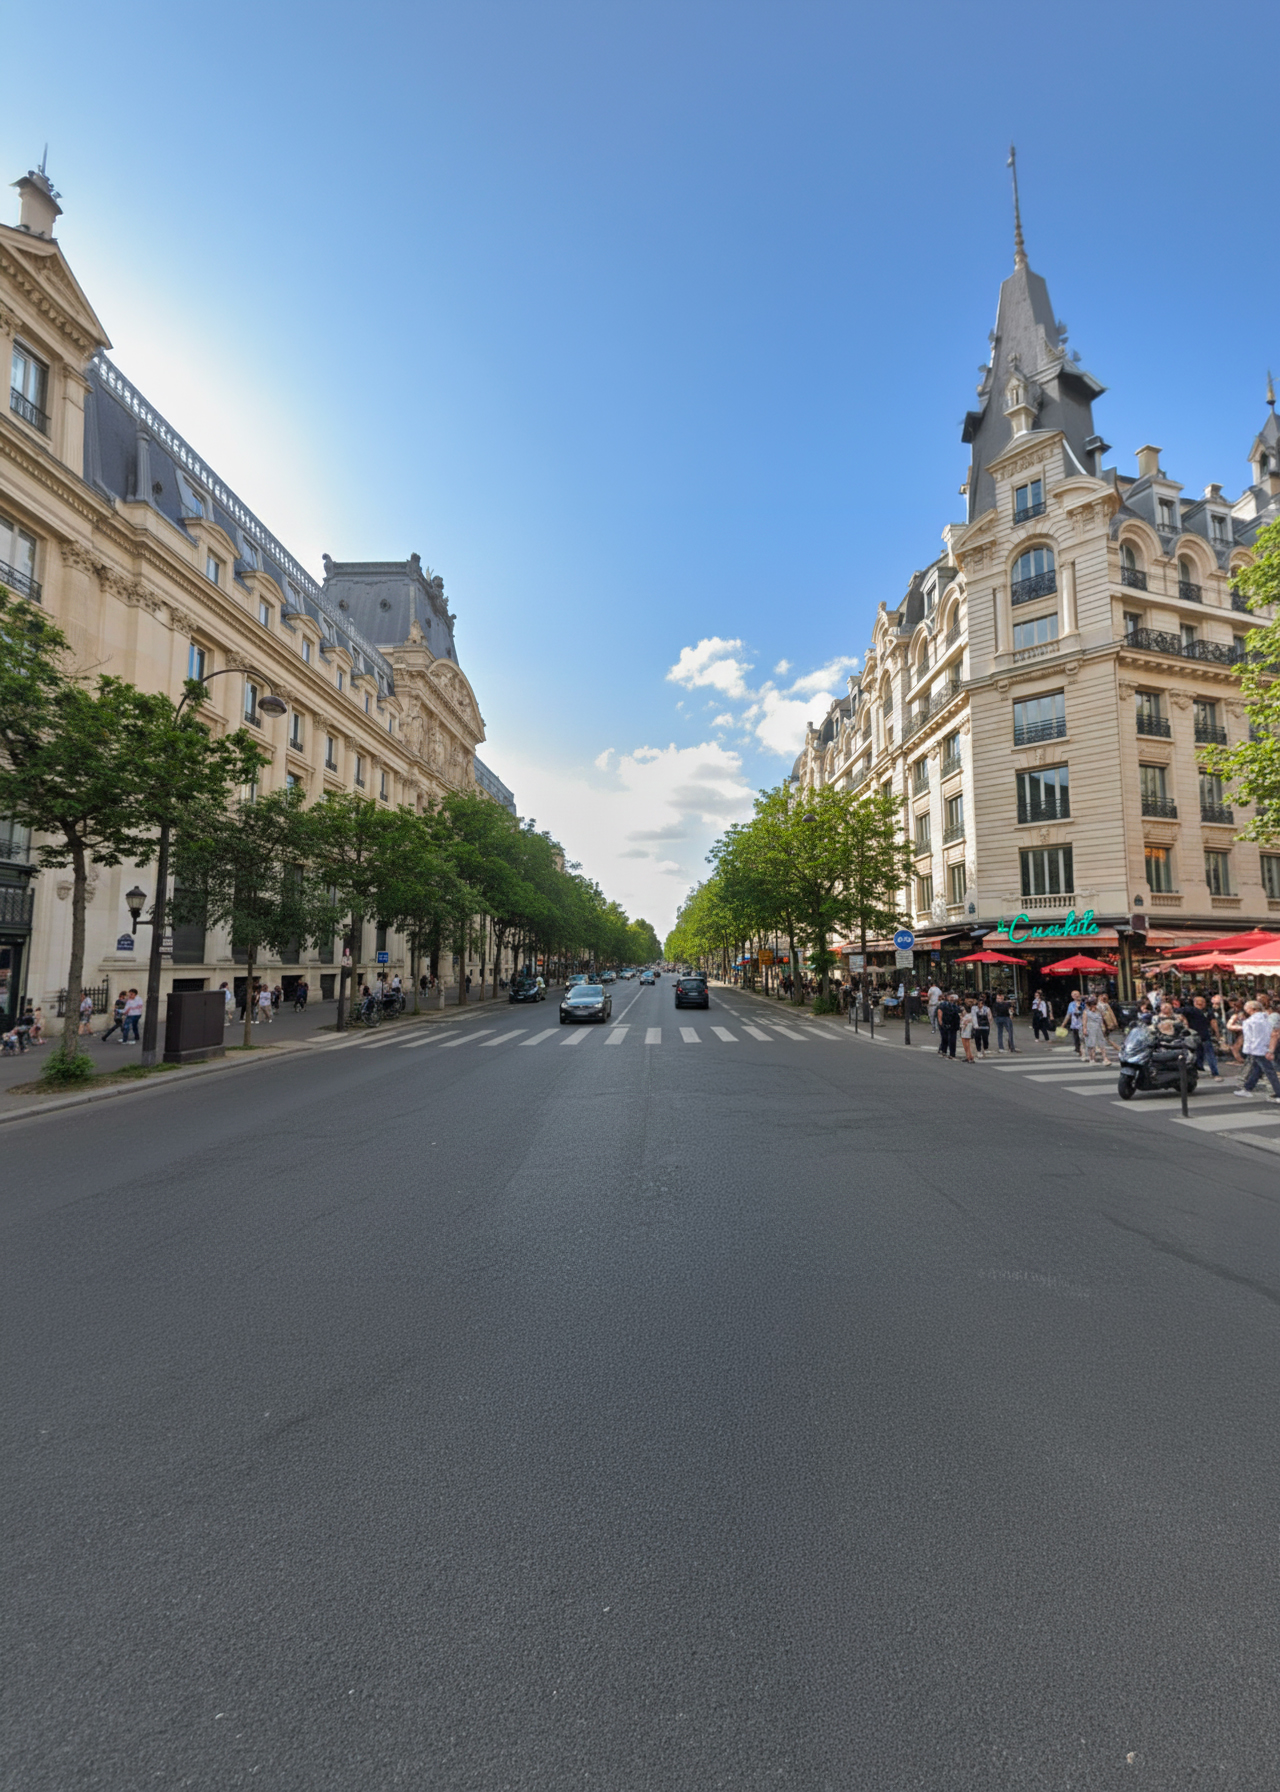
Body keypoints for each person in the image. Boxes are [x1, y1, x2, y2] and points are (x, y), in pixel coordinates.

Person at [1233, 1001, 1280, 1101]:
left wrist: (1248, 1049)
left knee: (1269, 1071)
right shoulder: (1266, 1018)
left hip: (1257, 1048)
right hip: (1262, 1047)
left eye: (1247, 1008)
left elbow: (1251, 1037)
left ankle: (1279, 1093)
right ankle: (1247, 1088)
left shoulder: (1252, 1021)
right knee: (1257, 1069)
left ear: (1252, 1009)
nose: (1245, 1009)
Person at [1181, 995, 1221, 1079]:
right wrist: (1217, 1034)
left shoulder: (1189, 1010)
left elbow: (1213, 1022)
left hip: (1196, 1035)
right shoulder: (1193, 1010)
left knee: (1200, 1053)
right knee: (1207, 1054)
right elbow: (1213, 1022)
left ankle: (1202, 1070)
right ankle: (1212, 1072)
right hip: (1201, 1035)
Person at [1081, 996, 1109, 1064]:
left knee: (1101, 1043)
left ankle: (1105, 1058)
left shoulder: (1099, 1010)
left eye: (1094, 1004)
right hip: (1090, 1028)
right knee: (1091, 1044)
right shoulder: (1086, 1012)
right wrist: (1084, 1029)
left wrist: (1103, 1027)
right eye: (1092, 1004)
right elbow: (1084, 1021)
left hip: (1098, 1028)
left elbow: (1102, 1019)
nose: (1094, 1005)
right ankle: (1092, 1058)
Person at [937, 992, 959, 1059]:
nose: (952, 998)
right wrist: (940, 1022)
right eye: (950, 997)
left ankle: (952, 1053)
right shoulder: (943, 1004)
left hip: (953, 1024)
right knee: (945, 1038)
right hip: (945, 1023)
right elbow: (939, 1012)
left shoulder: (956, 1005)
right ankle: (944, 1050)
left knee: (952, 1039)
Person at [1065, 989, 1083, 1055]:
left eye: (1076, 994)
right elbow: (1068, 1014)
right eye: (1073, 994)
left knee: (1083, 1038)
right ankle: (1077, 1049)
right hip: (1075, 1023)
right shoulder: (1071, 1004)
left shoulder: (1084, 1003)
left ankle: (1084, 1049)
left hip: (1083, 1023)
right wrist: (1063, 1024)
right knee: (1076, 1037)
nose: (1074, 996)